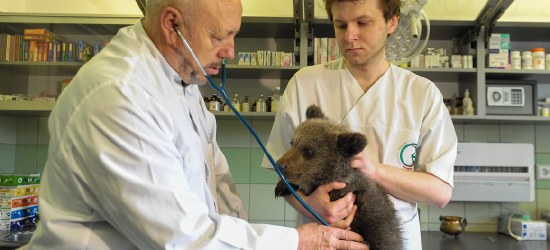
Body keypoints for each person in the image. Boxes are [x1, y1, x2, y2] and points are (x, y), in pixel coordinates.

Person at [22, 0, 370, 249]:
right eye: (220, 36)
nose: (230, 51)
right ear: (172, 26)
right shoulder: (120, 96)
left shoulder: (184, 84)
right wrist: (299, 241)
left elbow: (218, 192)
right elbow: (181, 237)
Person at [262, 0, 458, 249]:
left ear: (392, 22)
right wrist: (310, 206)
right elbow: (282, 172)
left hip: (392, 239)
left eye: (363, 23)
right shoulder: (305, 83)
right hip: (322, 241)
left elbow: (439, 191)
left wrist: (372, 170)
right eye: (341, 25)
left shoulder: (422, 94)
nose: (350, 36)